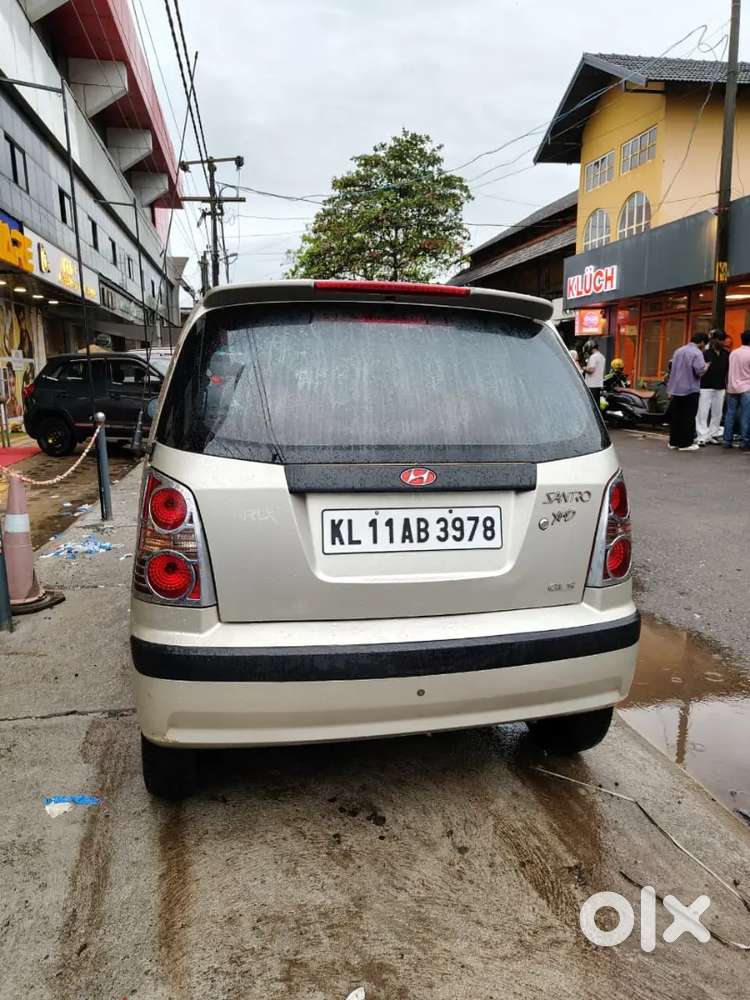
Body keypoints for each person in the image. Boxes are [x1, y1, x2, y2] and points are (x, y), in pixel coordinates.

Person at [666, 332, 709, 451]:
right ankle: (685, 444)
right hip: (690, 389)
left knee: (676, 416)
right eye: (704, 344)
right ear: (701, 342)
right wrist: (706, 366)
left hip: (676, 389)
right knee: (688, 416)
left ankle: (673, 442)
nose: (704, 347)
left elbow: (671, 368)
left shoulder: (678, 351)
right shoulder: (697, 353)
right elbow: (699, 371)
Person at [696, 329, 729, 445]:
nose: (722, 342)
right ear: (714, 339)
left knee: (717, 412)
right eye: (720, 340)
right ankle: (702, 436)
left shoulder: (726, 354)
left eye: (723, 340)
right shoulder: (705, 353)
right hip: (705, 386)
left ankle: (713, 434)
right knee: (702, 412)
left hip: (720, 386)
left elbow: (728, 371)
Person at [722, 329, 750, 450]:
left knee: (730, 415)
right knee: (745, 416)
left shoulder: (733, 353)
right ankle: (745, 442)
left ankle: (727, 441)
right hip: (746, 388)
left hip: (731, 388)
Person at [583, 340, 605, 406]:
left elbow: (591, 370)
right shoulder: (601, 356)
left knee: (591, 405)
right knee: (596, 404)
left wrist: (583, 368)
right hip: (598, 384)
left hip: (591, 385)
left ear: (590, 347)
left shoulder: (593, 357)